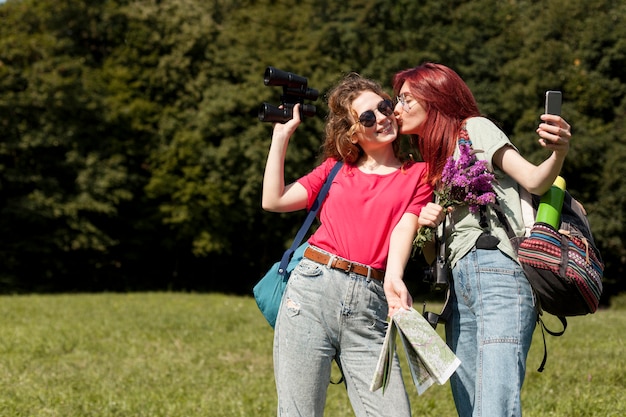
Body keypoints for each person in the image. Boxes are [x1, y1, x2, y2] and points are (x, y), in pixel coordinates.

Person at [392, 62, 572, 417]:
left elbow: (535, 180)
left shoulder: (475, 129)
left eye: (406, 100)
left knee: (494, 405)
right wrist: (426, 226)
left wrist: (558, 152)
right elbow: (431, 256)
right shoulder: (432, 161)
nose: (396, 110)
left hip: (499, 274)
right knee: (470, 405)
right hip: (457, 290)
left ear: (436, 99)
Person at [262, 73, 432, 417]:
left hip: (371, 304)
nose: (382, 117)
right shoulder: (335, 170)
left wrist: (395, 276)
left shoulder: (419, 174)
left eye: (384, 106)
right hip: (312, 290)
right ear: (353, 133)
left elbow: (405, 227)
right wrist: (280, 137)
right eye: (367, 117)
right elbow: (274, 199)